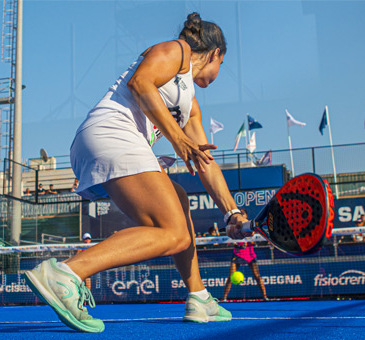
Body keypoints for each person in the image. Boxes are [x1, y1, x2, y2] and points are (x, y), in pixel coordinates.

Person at [24, 13, 250, 333]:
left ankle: (198, 296)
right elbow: (140, 83)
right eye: (221, 65)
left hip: (107, 141)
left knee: (179, 201)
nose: (217, 73)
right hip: (111, 132)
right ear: (216, 54)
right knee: (173, 233)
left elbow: (205, 162)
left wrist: (232, 213)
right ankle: (67, 273)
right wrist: (179, 139)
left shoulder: (190, 105)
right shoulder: (177, 51)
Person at [222, 209, 268, 302]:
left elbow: (255, 240)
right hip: (237, 253)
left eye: (243, 213)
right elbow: (230, 242)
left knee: (257, 275)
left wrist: (249, 242)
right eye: (240, 213)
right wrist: (237, 245)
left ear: (246, 216)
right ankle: (224, 298)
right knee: (231, 275)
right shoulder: (234, 226)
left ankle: (265, 296)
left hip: (250, 254)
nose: (242, 214)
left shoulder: (250, 225)